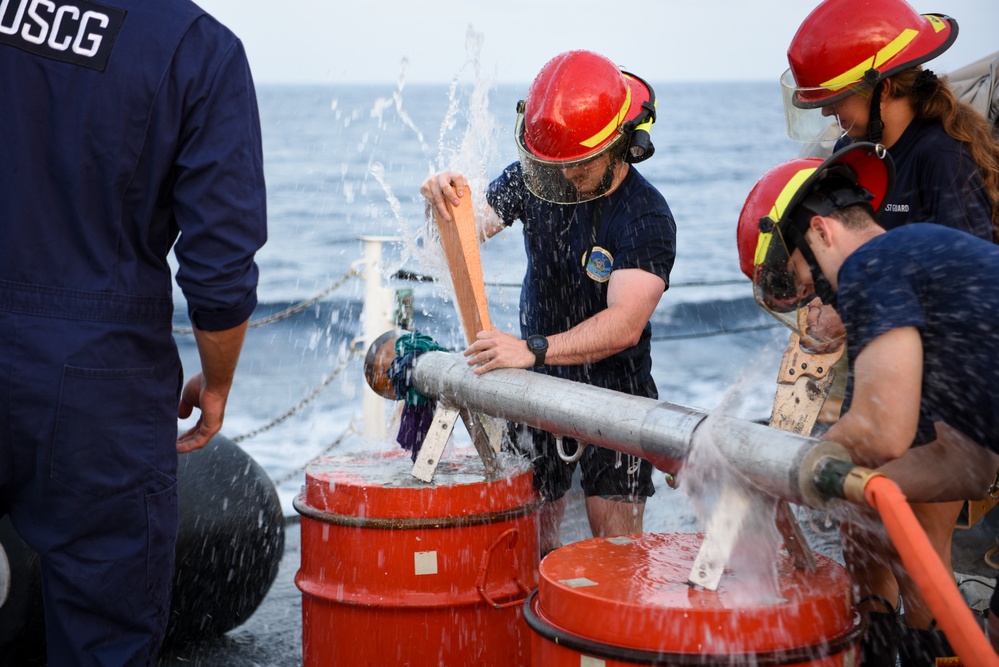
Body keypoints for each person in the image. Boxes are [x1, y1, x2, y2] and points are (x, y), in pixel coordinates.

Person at [0, 2, 267, 665]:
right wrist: (218, 379)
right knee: (103, 633)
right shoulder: (196, 48)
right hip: (94, 374)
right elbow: (220, 267)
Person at [780, 1, 999, 661]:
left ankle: (925, 642)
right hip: (882, 374)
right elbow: (848, 255)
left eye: (838, 98)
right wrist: (829, 305)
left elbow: (957, 295)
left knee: (914, 551)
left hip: (941, 387)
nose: (828, 114)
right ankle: (881, 641)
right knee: (860, 532)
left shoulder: (940, 160)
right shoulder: (861, 155)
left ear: (888, 83)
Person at [736, 142, 999, 664]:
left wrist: (791, 468)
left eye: (799, 278)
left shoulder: (871, 264)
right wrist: (839, 491)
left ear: (821, 232)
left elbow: (882, 429)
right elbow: (966, 465)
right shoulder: (923, 268)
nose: (813, 297)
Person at [422, 50, 676, 555]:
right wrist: (441, 203)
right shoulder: (536, 176)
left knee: (616, 552)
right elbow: (458, 236)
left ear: (619, 145)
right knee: (530, 543)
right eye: (553, 167)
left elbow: (624, 324)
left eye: (579, 167)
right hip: (535, 389)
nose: (563, 178)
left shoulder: (646, 216)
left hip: (616, 392)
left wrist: (530, 349)